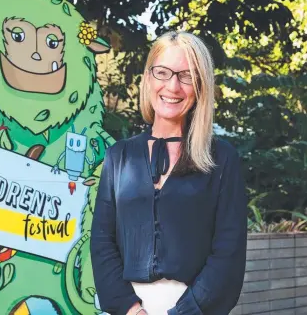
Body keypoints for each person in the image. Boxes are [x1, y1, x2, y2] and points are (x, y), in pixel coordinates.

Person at [90, 31, 248, 315]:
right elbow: (102, 241)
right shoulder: (119, 156)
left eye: (187, 76)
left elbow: (229, 252)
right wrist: (131, 310)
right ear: (148, 78)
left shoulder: (222, 159)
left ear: (201, 86)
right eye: (162, 72)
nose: (173, 86)